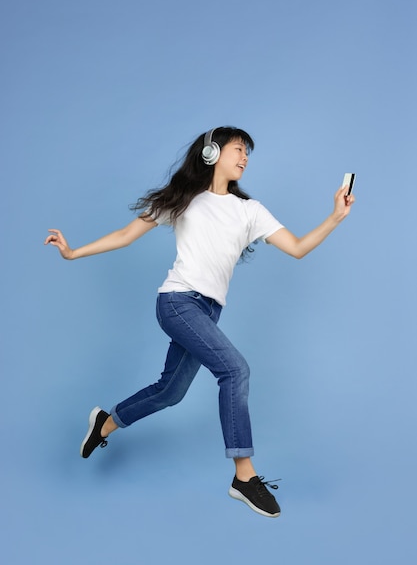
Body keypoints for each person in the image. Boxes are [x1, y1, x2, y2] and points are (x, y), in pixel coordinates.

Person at [44, 126, 355, 518]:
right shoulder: (183, 199)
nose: (244, 158)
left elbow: (296, 248)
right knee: (235, 369)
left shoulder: (250, 211)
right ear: (211, 152)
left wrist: (335, 217)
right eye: (238, 149)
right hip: (177, 302)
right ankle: (244, 475)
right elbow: (126, 235)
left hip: (208, 311)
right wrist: (73, 253)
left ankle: (106, 423)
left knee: (171, 392)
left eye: (248, 153)